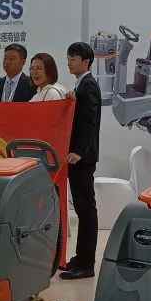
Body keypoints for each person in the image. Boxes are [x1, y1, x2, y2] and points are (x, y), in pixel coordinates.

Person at [59, 41, 101, 280]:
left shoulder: (89, 85)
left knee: (86, 210)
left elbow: (90, 122)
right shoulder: (81, 84)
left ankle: (86, 264)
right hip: (77, 156)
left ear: (86, 62)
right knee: (82, 208)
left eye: (73, 59)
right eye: (68, 58)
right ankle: (80, 258)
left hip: (81, 158)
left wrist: (80, 151)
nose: (69, 63)